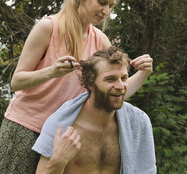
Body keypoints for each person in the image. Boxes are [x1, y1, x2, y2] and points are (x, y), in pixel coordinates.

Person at [0, 0, 153, 174]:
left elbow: (115, 91)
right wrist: (52, 72)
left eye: (111, 5)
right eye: (102, 2)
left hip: (64, 134)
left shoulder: (100, 40)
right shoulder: (48, 28)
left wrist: (143, 73)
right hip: (28, 129)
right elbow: (17, 81)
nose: (106, 11)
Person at [33, 46, 157, 174]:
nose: (121, 86)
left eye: (124, 78)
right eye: (110, 79)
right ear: (90, 83)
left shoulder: (138, 122)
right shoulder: (61, 127)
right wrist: (57, 163)